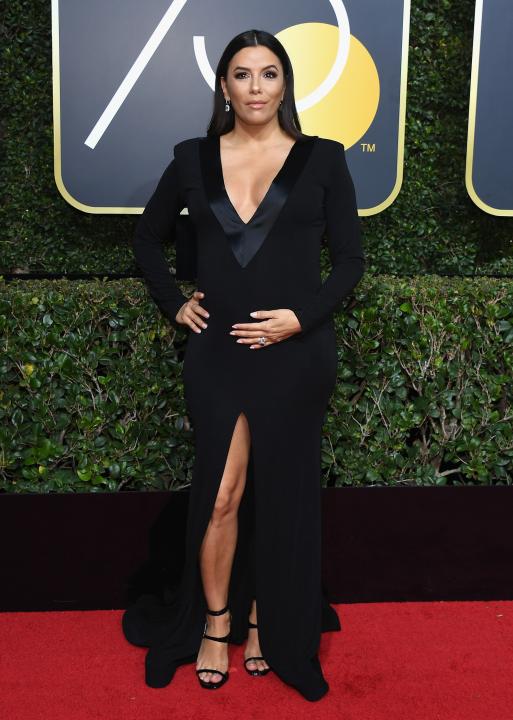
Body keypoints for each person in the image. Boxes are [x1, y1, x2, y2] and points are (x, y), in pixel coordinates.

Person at [122, 28, 365, 702]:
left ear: (285, 84)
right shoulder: (192, 158)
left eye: (268, 73)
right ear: (223, 86)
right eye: (241, 74)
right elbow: (146, 238)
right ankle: (214, 625)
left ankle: (267, 622)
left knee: (281, 495)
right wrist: (174, 303)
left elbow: (350, 260)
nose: (256, 87)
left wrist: (301, 318)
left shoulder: (323, 159)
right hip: (219, 355)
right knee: (223, 494)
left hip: (296, 354)